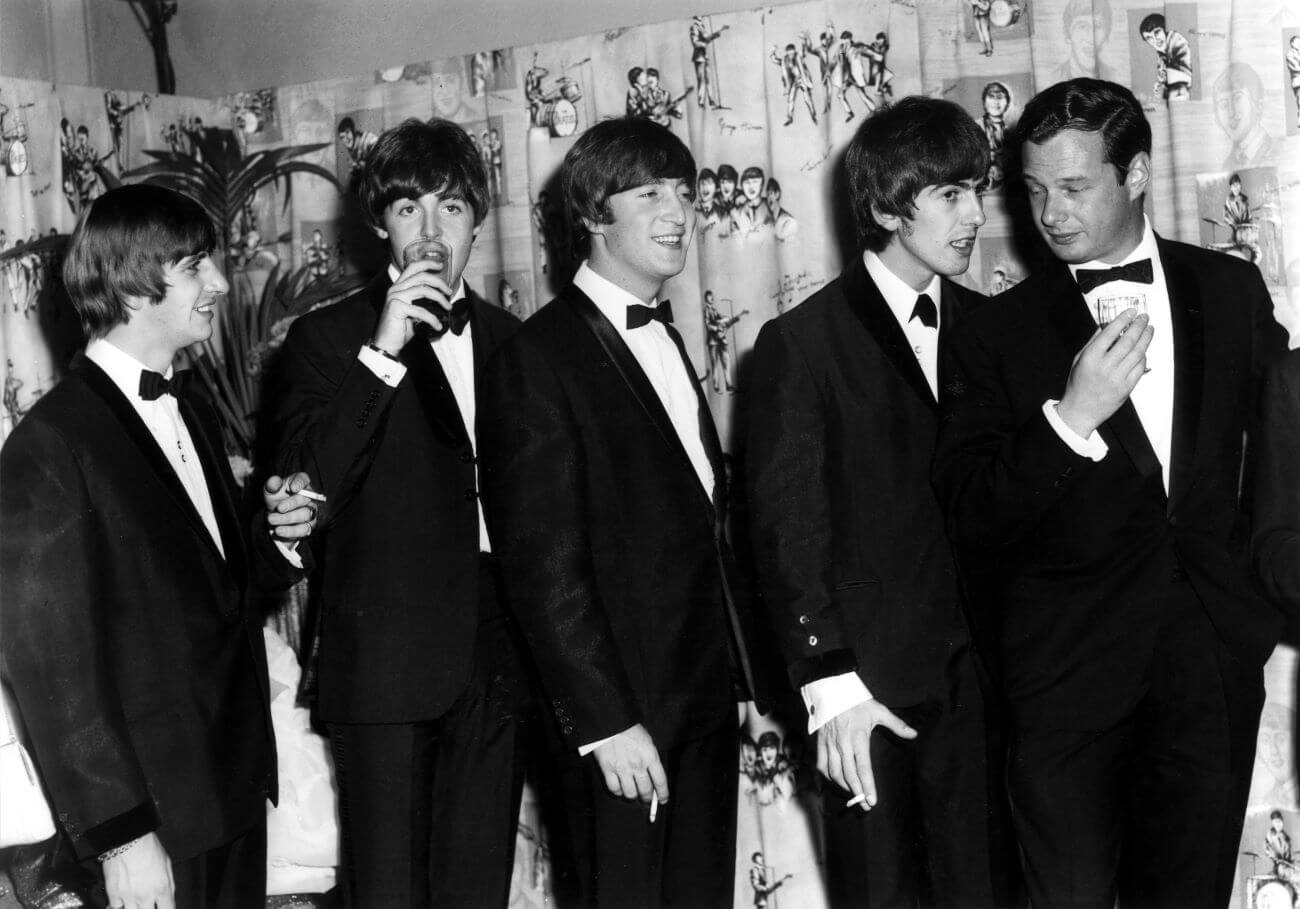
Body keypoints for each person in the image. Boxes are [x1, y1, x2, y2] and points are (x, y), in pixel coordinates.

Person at [932, 77, 1287, 908]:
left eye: (1074, 186)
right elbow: (971, 514)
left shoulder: (1230, 292)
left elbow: (1284, 452)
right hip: (1066, 683)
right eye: (1032, 190)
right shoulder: (994, 330)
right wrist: (1069, 418)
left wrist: (1258, 603)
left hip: (1210, 664)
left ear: (1135, 176)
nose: (1050, 212)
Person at [0, 184, 317, 909]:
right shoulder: (50, 446)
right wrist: (122, 834)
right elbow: (54, 670)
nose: (218, 283)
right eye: (196, 265)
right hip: (153, 819)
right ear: (135, 285)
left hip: (231, 792)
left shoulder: (192, 406)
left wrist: (281, 540)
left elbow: (213, 591)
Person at [479, 116, 762, 908]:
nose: (678, 210)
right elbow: (543, 566)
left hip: (700, 701)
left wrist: (737, 676)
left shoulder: (666, 336)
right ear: (593, 217)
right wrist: (605, 722)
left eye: (683, 190)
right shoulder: (536, 358)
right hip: (621, 722)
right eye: (648, 193)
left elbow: (703, 526)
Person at [747, 96, 1011, 908]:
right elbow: (787, 532)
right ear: (886, 206)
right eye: (950, 194)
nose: (975, 214)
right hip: (869, 699)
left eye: (978, 188)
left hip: (989, 690)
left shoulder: (999, 329)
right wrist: (833, 693)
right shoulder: (802, 343)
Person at [271, 118, 529, 908]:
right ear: (380, 221)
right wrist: (380, 353)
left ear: (477, 223)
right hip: (383, 657)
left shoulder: (518, 342)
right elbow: (304, 499)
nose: (431, 229)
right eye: (410, 208)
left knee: (476, 889)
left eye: (451, 208)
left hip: (499, 655)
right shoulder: (321, 340)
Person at [1214, 63, 1278, 170]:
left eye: (1237, 99)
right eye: (1223, 105)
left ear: (1258, 105)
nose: (1231, 113)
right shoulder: (1227, 166)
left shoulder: (1277, 153)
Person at [1051, 0, 1118, 82]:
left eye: (1098, 26)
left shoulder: (1115, 77)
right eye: (1082, 27)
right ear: (1068, 34)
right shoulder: (1053, 79)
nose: (1091, 39)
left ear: (1107, 33)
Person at [1139, 14, 1193, 101]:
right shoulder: (1161, 59)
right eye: (1149, 38)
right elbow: (1163, 80)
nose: (1155, 39)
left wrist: (1163, 86)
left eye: (1157, 32)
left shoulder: (1176, 40)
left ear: (1164, 29)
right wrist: (1159, 85)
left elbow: (1182, 77)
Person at [1288, 36, 1300, 130]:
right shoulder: (1290, 55)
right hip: (1298, 81)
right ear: (1292, 43)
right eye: (1297, 42)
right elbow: (1295, 68)